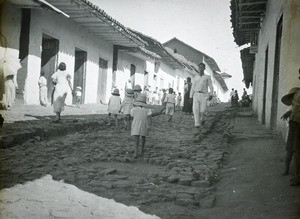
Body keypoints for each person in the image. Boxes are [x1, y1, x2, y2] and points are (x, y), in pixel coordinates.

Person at [281, 87, 300, 185]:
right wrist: (288, 113)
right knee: (289, 149)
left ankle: (297, 177)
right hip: (293, 126)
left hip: (298, 126)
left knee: (297, 151)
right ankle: (286, 169)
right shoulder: (292, 107)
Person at [189, 63, 213, 128]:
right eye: (200, 67)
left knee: (202, 110)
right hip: (196, 94)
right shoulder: (195, 77)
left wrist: (211, 94)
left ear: (204, 68)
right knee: (195, 109)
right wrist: (190, 97)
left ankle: (203, 119)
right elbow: (192, 87)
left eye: (202, 67)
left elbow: (211, 86)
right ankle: (197, 124)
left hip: (204, 95)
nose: (201, 69)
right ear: (198, 68)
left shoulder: (207, 77)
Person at [130, 94, 152, 158]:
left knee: (136, 139)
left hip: (136, 124)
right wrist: (149, 125)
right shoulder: (147, 110)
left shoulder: (133, 109)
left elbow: (132, 116)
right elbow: (149, 118)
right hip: (144, 124)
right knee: (143, 138)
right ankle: (142, 151)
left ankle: (136, 152)